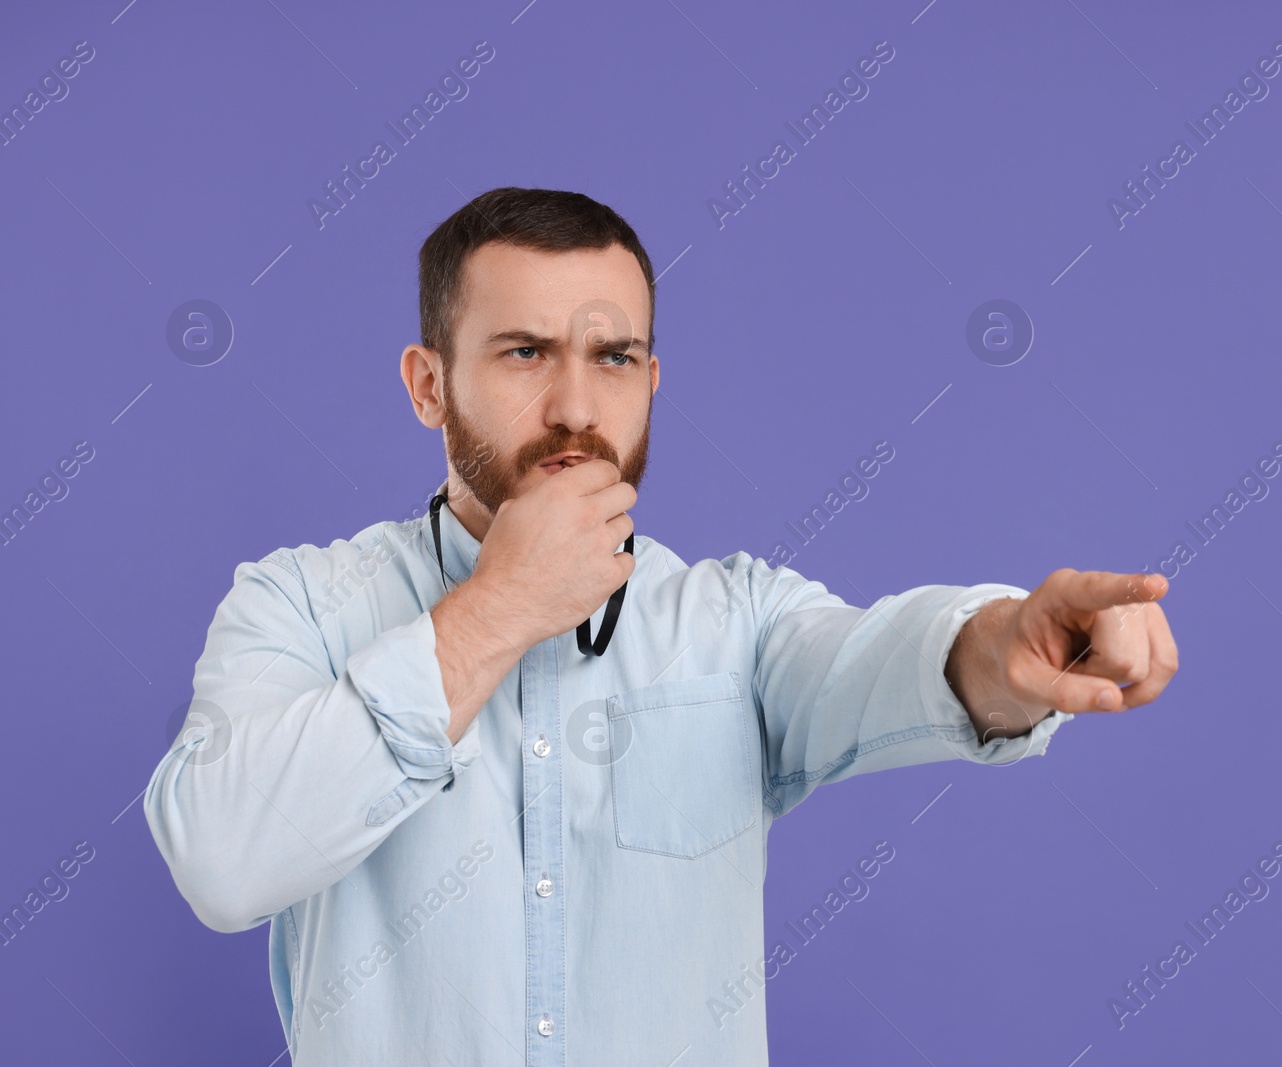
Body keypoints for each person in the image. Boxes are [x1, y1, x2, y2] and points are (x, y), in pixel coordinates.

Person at [143, 186, 1178, 1066]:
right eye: (522, 352)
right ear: (428, 385)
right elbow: (223, 862)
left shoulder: (732, 622)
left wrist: (1006, 642)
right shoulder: (298, 605)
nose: (575, 406)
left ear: (651, 380)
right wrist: (498, 607)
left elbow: (883, 662)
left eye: (616, 356)